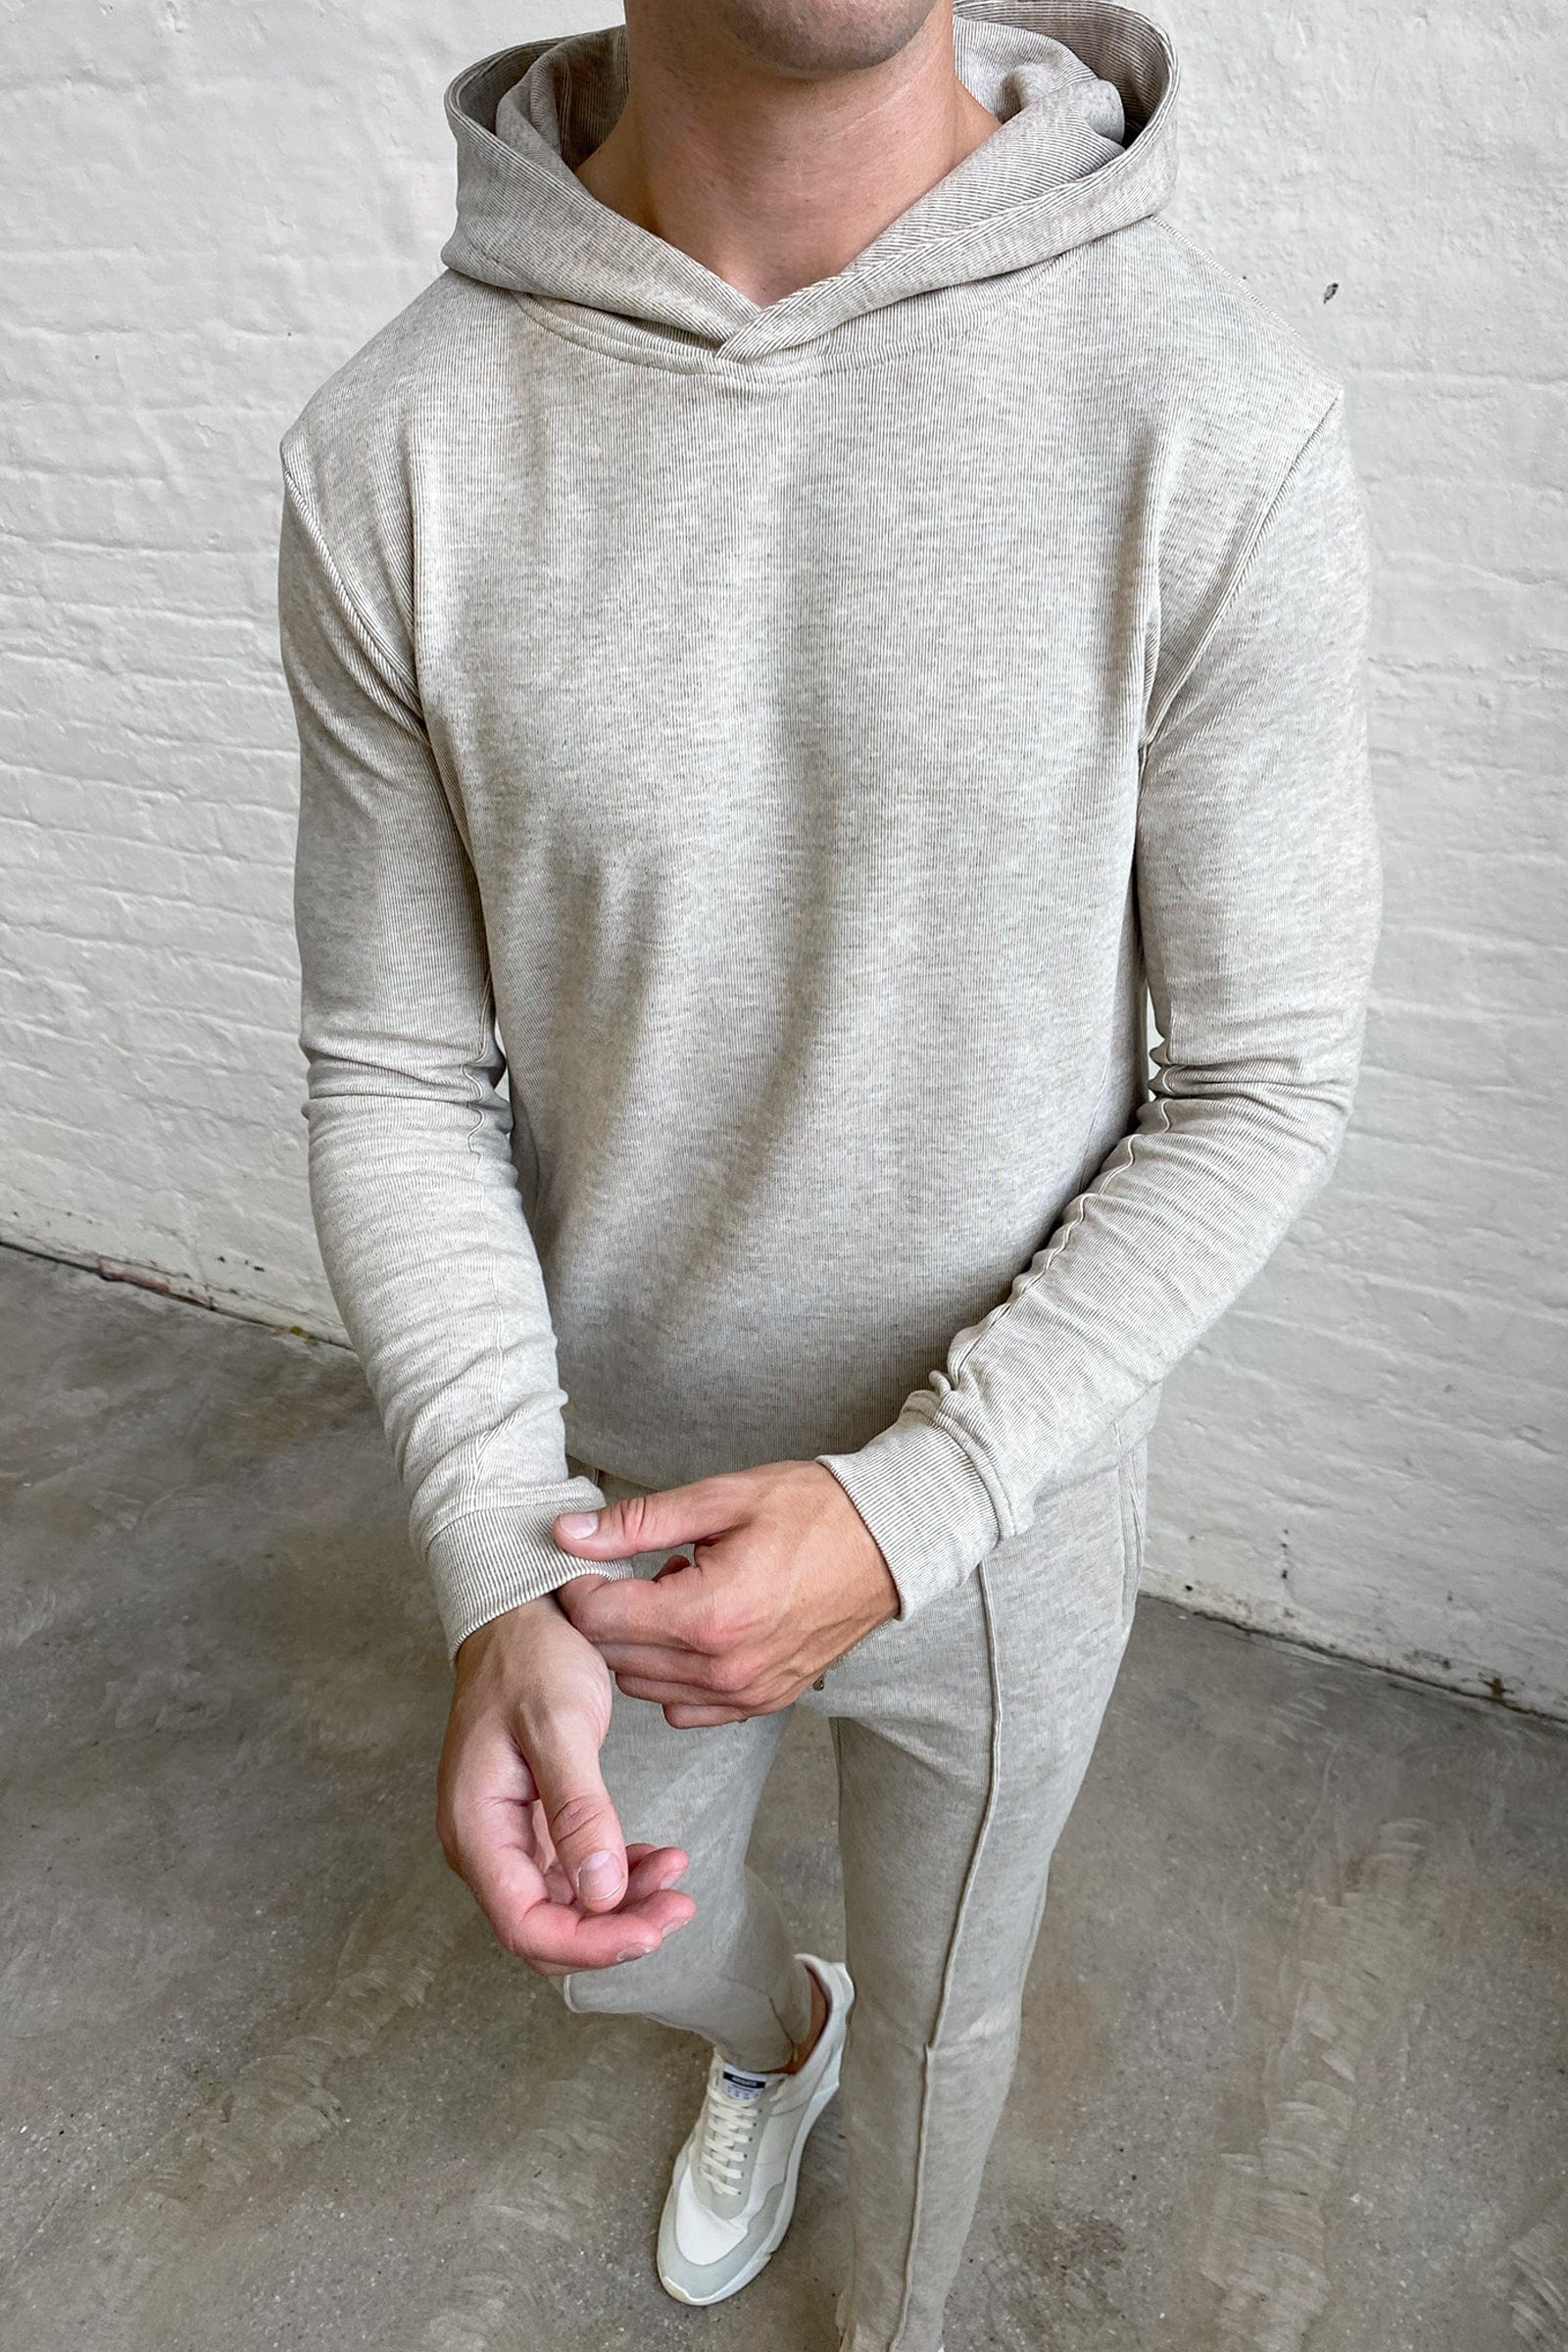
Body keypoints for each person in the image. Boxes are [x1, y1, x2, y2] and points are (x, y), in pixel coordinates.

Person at [275, 2, 1381, 2343]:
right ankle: (775, 2041)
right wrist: (488, 1543)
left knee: (958, 2007)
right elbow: (395, 1072)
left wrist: (919, 1504)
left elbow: (1257, 1080)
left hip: (998, 1513)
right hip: (603, 1520)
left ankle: (894, 2316)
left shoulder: (1208, 417)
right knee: (614, 1958)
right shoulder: (397, 449)